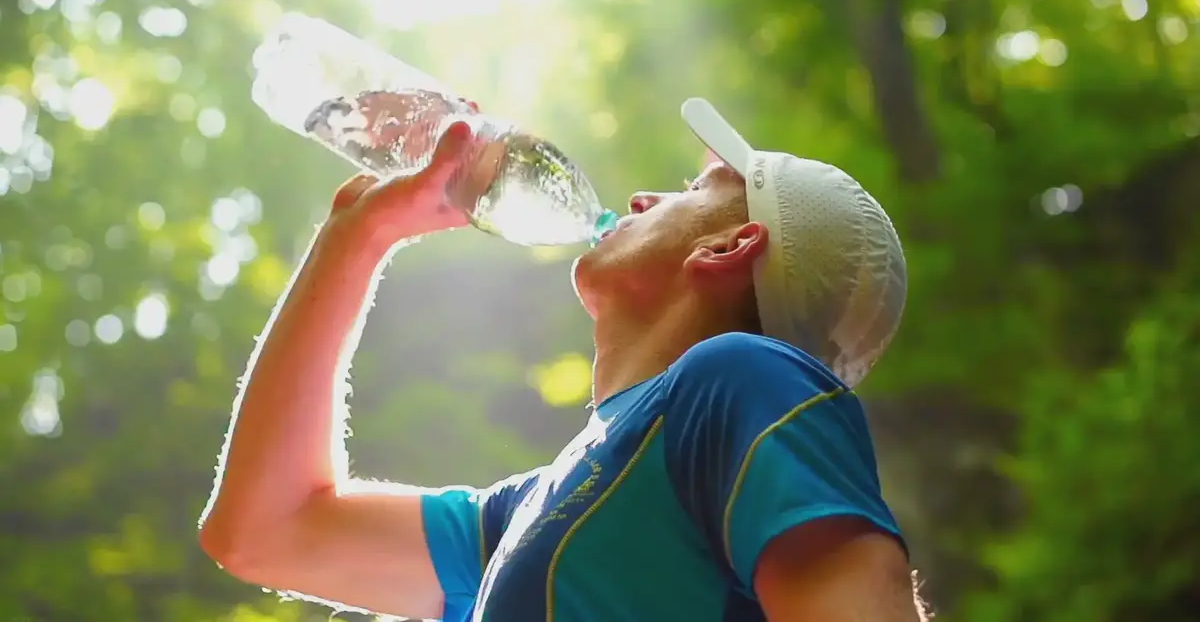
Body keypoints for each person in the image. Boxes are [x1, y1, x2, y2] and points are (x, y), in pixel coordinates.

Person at [198, 96, 925, 621]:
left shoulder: (740, 380)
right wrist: (356, 237)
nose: (644, 195)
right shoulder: (530, 512)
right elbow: (267, 527)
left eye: (696, 190)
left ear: (729, 247)